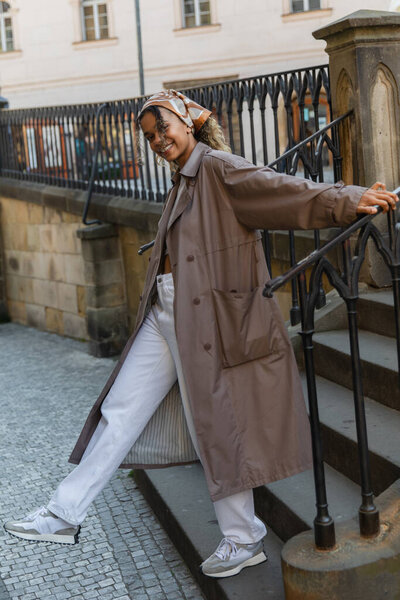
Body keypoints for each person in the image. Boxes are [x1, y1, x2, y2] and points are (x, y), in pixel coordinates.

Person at [4, 90, 398, 579]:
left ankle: (242, 536)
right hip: (166, 309)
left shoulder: (217, 168)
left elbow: (281, 189)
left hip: (205, 319)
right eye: (148, 136)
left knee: (215, 422)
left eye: (162, 128)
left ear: (187, 121)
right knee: (121, 409)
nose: (157, 140)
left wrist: (350, 198)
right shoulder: (182, 180)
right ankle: (64, 513)